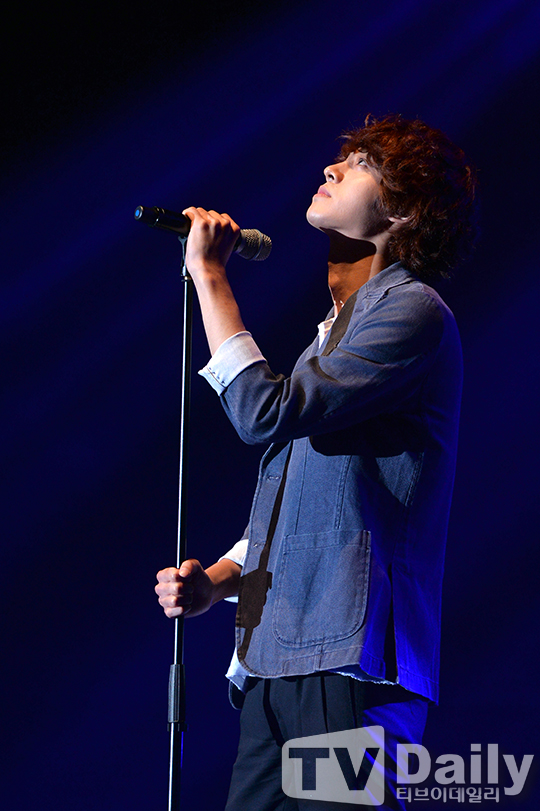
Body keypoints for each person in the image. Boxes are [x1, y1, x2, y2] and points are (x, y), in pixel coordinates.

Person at [155, 114, 477, 810]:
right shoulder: (335, 333)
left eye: (360, 164)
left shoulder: (413, 313)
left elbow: (262, 412)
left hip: (354, 665)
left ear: (404, 209)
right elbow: (305, 501)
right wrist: (215, 583)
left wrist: (209, 275)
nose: (331, 168)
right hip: (277, 660)